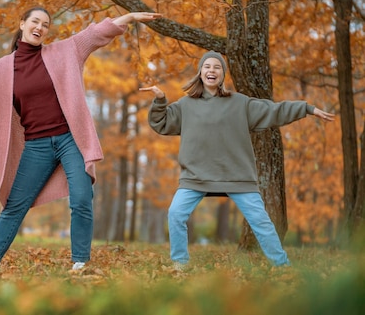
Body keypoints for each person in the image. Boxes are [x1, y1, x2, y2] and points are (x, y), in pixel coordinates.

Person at [0, 7, 162, 270]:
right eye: (35, 22)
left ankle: (80, 262)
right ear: (22, 24)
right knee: (14, 206)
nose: (40, 28)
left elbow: (95, 34)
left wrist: (130, 18)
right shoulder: (3, 68)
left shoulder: (64, 51)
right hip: (36, 146)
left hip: (71, 140)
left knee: (81, 199)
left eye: (45, 25)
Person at [139, 51, 335, 269]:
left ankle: (282, 266)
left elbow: (275, 110)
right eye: (207, 66)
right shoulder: (185, 105)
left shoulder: (240, 103)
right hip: (195, 177)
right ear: (200, 72)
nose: (211, 70)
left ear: (223, 74)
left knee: (260, 221)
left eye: (217, 67)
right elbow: (161, 123)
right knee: (176, 213)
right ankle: (180, 264)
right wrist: (159, 100)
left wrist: (306, 108)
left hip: (237, 176)